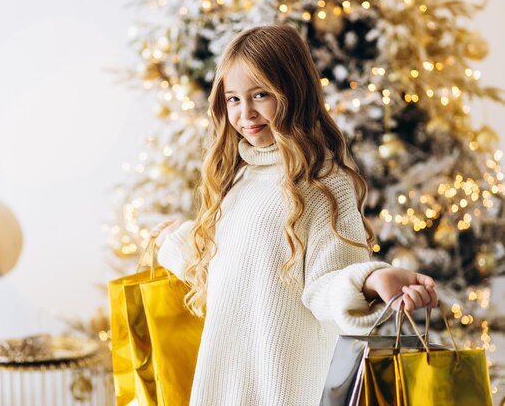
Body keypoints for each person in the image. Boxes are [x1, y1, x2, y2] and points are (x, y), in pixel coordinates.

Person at [150, 24, 437, 405]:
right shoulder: (237, 178)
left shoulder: (322, 183)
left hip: (281, 386)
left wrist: (373, 279)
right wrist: (177, 241)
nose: (245, 113)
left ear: (293, 93)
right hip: (224, 381)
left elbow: (327, 284)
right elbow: (226, 274)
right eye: (233, 99)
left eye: (260, 95)